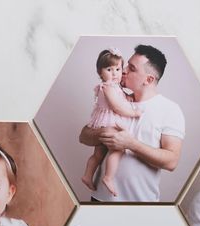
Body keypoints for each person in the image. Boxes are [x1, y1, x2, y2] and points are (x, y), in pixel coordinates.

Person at [79, 44, 185, 202]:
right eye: (126, 64)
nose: (123, 70)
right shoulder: (116, 98)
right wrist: (102, 133)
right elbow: (83, 136)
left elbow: (171, 161)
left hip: (140, 204)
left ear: (148, 79)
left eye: (132, 68)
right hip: (100, 200)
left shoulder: (170, 110)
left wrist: (131, 144)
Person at [81, 48, 142, 197]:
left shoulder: (115, 88)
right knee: (118, 148)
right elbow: (117, 106)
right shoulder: (108, 87)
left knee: (99, 153)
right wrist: (133, 112)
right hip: (108, 122)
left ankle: (87, 176)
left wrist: (129, 99)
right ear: (100, 72)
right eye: (109, 69)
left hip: (102, 121)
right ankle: (108, 177)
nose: (114, 73)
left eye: (118, 69)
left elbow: (121, 100)